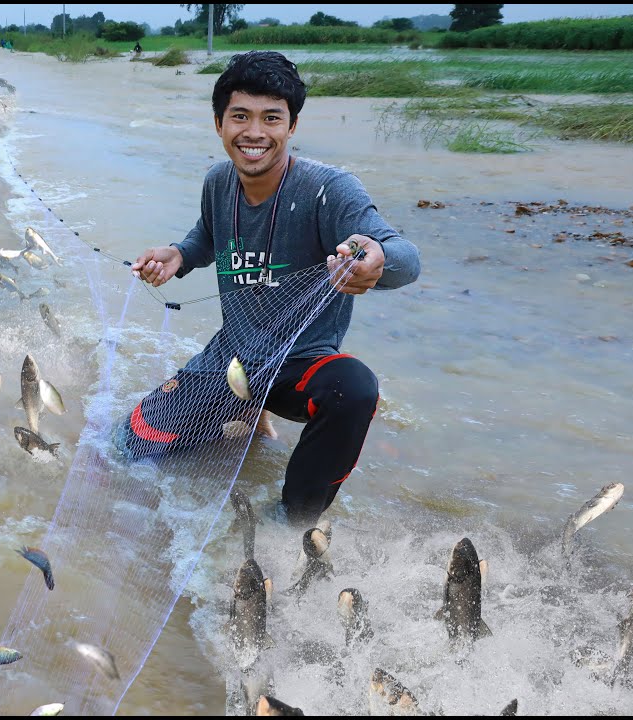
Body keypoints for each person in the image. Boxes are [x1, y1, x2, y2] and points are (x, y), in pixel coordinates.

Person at [125, 51, 421, 527]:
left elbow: (405, 256)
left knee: (354, 388)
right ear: (219, 123)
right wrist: (179, 255)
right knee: (133, 445)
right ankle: (248, 414)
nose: (255, 133)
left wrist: (379, 260)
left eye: (271, 118)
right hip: (234, 360)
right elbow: (209, 235)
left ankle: (293, 522)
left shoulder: (330, 189)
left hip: (299, 365)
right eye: (240, 116)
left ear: (292, 125)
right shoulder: (218, 181)